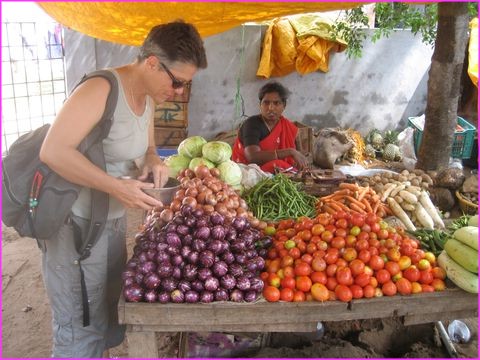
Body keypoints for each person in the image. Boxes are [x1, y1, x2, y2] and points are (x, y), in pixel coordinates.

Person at [38, 21, 207, 358]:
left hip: (109, 223)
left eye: (185, 86)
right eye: (177, 82)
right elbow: (53, 151)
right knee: (77, 326)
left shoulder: (147, 97)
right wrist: (115, 186)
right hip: (75, 227)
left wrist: (153, 163)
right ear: (152, 63)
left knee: (102, 313)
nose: (179, 93)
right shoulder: (101, 89)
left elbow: (147, 148)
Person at [232, 81, 309, 173]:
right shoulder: (251, 124)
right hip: (248, 171)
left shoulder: (286, 125)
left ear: (284, 106)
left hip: (270, 170)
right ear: (260, 105)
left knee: (283, 167)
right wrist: (290, 151)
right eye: (266, 103)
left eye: (276, 103)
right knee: (278, 165)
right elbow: (252, 157)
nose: (271, 108)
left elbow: (299, 156)